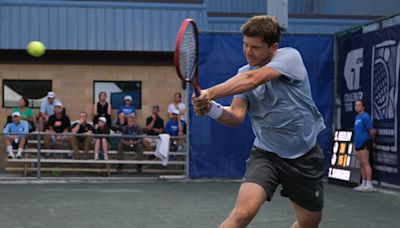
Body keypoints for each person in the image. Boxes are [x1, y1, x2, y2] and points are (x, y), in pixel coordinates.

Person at [192, 15, 325, 228]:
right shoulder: (242, 74)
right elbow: (236, 117)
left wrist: (208, 93)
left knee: (309, 223)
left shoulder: (290, 57)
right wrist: (210, 108)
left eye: (255, 47)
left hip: (304, 156)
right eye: (245, 45)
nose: (248, 51)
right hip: (266, 155)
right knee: (242, 214)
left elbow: (252, 80)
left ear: (273, 48)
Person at [353, 99, 376, 192]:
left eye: (359, 105)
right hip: (357, 143)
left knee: (365, 162)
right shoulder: (356, 117)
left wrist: (373, 141)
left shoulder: (366, 117)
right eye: (355, 105)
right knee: (361, 163)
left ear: (363, 107)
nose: (357, 107)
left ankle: (369, 184)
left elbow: (371, 131)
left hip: (365, 142)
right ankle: (363, 183)